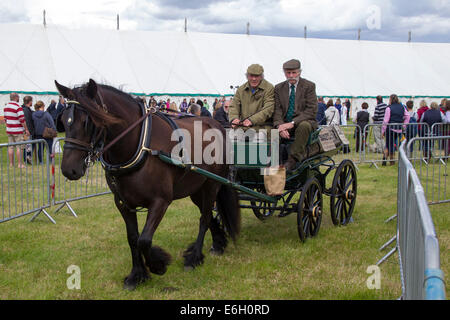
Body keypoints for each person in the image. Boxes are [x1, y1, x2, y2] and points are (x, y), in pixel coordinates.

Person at [273, 59, 318, 170]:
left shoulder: (309, 86)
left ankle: (293, 159)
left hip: (303, 122)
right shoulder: (278, 88)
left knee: (304, 126)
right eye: (288, 73)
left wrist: (292, 123)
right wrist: (280, 126)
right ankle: (273, 161)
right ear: (284, 73)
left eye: (294, 72)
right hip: (284, 124)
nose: (291, 76)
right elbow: (277, 110)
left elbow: (311, 110)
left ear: (299, 72)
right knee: (271, 132)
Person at [229, 63, 274, 138]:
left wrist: (252, 120)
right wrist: (234, 118)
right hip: (243, 126)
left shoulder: (269, 88)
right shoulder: (241, 89)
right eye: (251, 76)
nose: (254, 79)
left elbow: (268, 108)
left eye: (256, 76)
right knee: (231, 136)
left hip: (262, 127)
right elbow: (234, 106)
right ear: (247, 76)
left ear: (261, 76)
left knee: (258, 139)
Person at [381, 94, 410, 165]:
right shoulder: (402, 107)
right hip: (399, 129)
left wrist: (382, 131)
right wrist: (404, 126)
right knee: (390, 144)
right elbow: (408, 116)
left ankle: (390, 160)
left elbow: (385, 120)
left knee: (389, 145)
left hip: (390, 129)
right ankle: (386, 159)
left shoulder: (389, 108)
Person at [4, 92, 30, 168]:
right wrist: (26, 129)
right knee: (20, 147)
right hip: (18, 130)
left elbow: (5, 119)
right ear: (16, 97)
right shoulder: (17, 106)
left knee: (11, 147)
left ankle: (11, 164)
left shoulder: (6, 107)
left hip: (9, 129)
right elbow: (22, 119)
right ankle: (20, 164)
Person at [21, 95, 35, 164]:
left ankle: (27, 159)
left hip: (27, 130)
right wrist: (28, 131)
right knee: (28, 146)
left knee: (27, 146)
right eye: (31, 101)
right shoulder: (25, 110)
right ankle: (27, 159)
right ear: (29, 102)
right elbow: (27, 121)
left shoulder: (25, 109)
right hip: (28, 131)